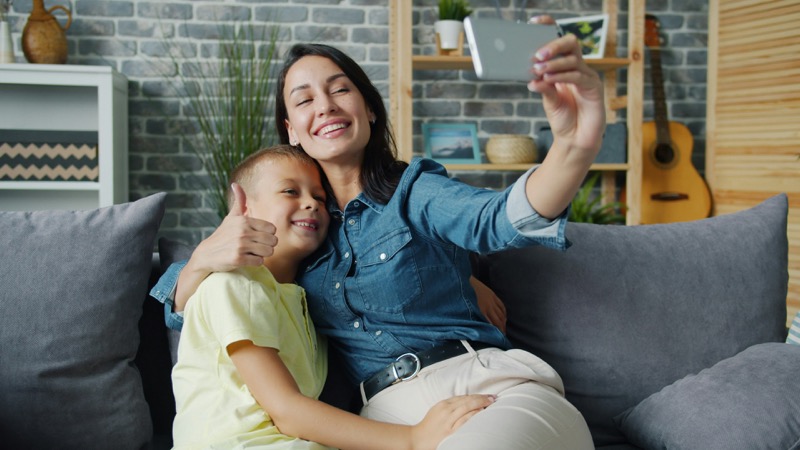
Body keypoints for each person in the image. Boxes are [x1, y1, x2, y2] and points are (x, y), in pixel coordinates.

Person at [154, 16, 604, 449]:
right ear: (291, 130)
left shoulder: (415, 192)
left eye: (339, 89)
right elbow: (202, 307)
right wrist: (200, 261)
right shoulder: (300, 230)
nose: (326, 105)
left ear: (368, 108)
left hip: (478, 386)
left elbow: (496, 219)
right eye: (304, 99)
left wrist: (573, 145)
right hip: (379, 422)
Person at [171, 144, 494, 449]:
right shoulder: (233, 284)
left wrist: (457, 276)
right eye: (290, 191)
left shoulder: (307, 301)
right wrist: (412, 438)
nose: (311, 203)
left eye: (320, 197)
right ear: (244, 208)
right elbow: (286, 409)